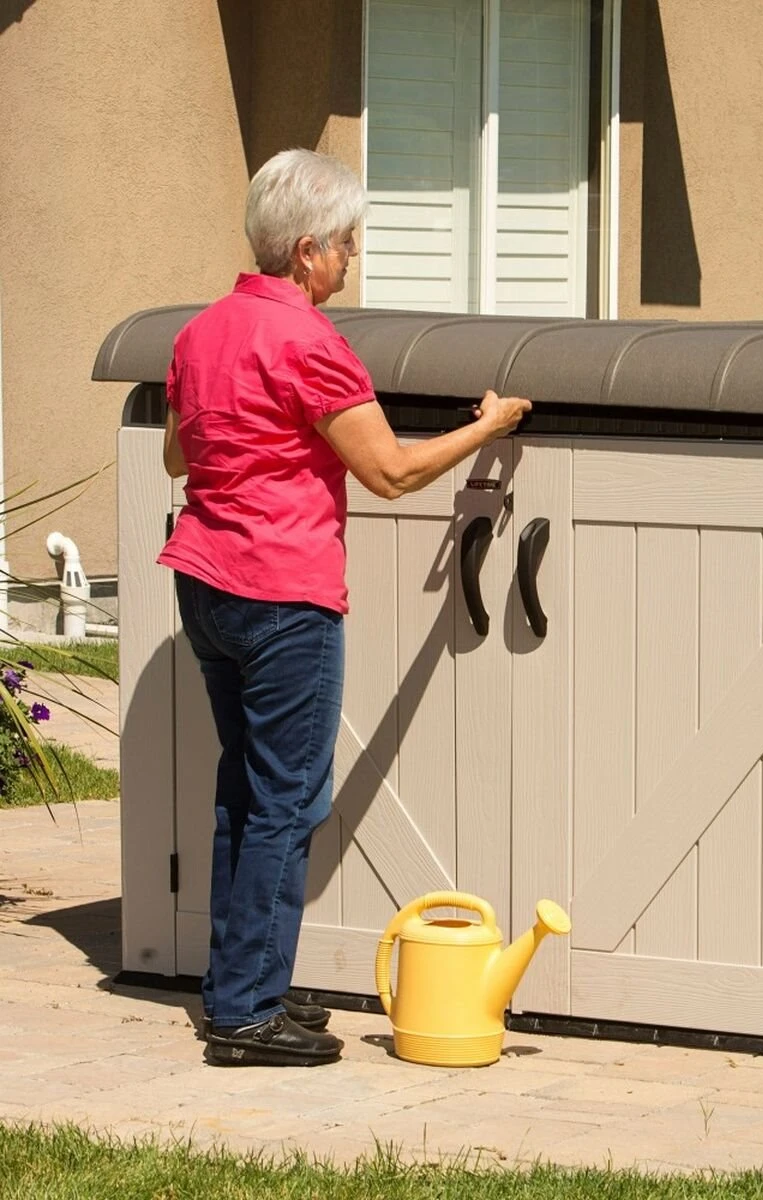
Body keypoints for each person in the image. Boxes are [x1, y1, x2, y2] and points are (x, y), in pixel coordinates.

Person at [159, 148, 530, 1067]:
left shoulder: (200, 333)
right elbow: (391, 472)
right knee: (286, 802)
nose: (352, 257)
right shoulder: (309, 342)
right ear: (307, 251)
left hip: (204, 583)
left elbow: (176, 457)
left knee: (245, 792)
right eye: (347, 243)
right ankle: (246, 1017)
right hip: (282, 595)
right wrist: (488, 425)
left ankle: (239, 985)